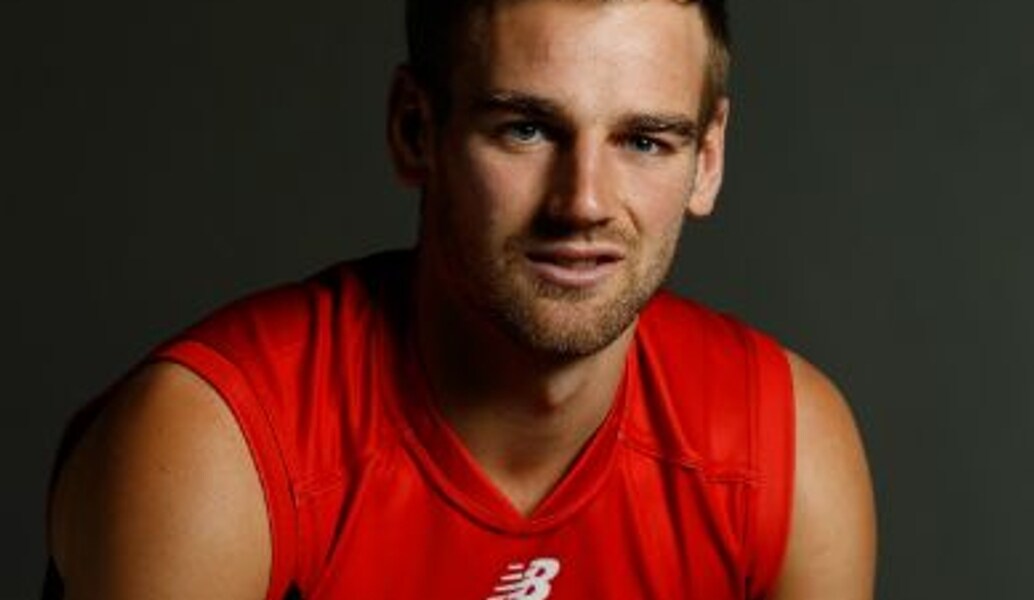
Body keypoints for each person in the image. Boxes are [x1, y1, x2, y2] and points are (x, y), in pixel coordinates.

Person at [46, 0, 876, 598]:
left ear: (708, 160)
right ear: (416, 130)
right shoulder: (213, 446)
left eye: (644, 141)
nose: (583, 202)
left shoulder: (785, 452)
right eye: (526, 129)